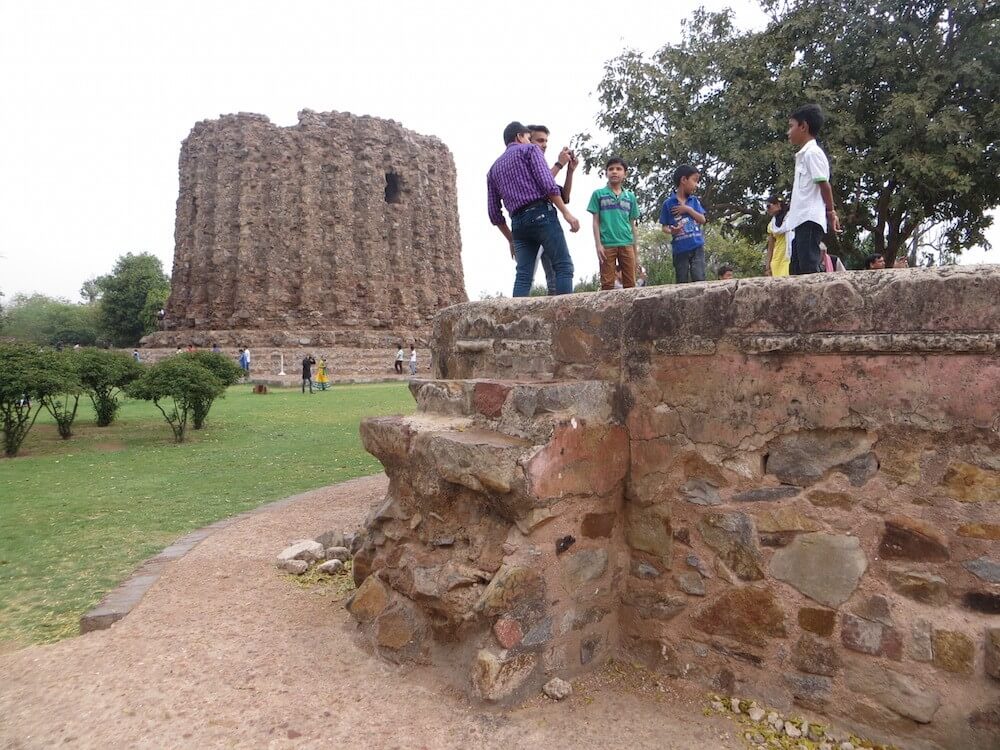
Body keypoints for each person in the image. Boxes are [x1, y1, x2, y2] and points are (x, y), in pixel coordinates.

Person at [487, 121, 580, 297]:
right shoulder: (530, 150)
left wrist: (511, 239)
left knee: (523, 277)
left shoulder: (493, 170)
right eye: (530, 138)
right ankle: (565, 321)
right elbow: (547, 185)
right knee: (563, 266)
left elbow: (494, 213)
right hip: (541, 215)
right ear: (520, 137)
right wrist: (566, 213)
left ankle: (515, 322)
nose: (534, 143)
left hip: (518, 224)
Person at [785, 104, 841, 275]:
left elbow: (824, 184)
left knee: (809, 267)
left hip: (809, 219)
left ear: (803, 126)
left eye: (791, 126)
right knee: (796, 269)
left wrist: (831, 212)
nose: (788, 132)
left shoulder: (812, 153)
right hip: (800, 220)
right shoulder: (803, 155)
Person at [528, 125, 578, 295]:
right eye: (540, 140)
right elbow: (541, 185)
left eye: (546, 141)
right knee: (527, 276)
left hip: (548, 227)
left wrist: (570, 171)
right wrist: (559, 164)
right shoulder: (524, 163)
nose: (544, 144)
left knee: (555, 278)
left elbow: (564, 196)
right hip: (533, 226)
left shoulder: (543, 167)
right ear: (528, 140)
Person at [588, 157, 640, 290]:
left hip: (626, 243)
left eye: (618, 169)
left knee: (630, 283)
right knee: (607, 284)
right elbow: (595, 222)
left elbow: (632, 224)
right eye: (611, 169)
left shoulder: (630, 197)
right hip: (607, 244)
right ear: (606, 173)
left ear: (625, 174)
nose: (614, 172)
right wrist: (598, 244)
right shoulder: (598, 194)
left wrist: (635, 250)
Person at [659, 165, 707, 283]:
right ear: (684, 180)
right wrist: (672, 231)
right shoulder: (668, 203)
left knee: (699, 276)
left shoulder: (694, 201)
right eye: (695, 180)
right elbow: (664, 227)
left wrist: (688, 209)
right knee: (681, 279)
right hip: (680, 248)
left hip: (697, 246)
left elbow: (702, 219)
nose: (696, 185)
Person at [764, 196, 792, 277]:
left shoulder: (791, 218)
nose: (767, 209)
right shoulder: (771, 225)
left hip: (789, 256)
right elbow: (770, 246)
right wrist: (768, 265)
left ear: (778, 204)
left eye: (768, 206)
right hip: (777, 259)